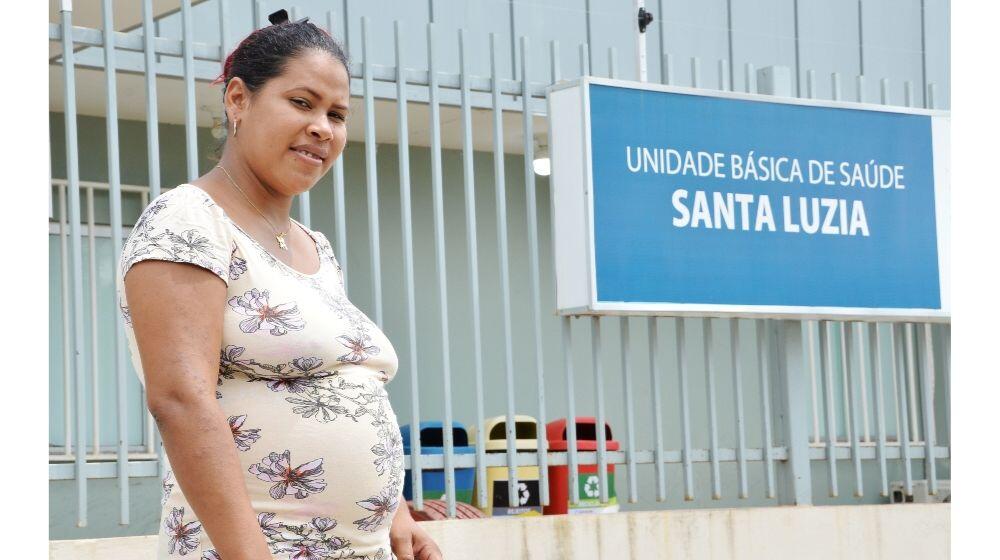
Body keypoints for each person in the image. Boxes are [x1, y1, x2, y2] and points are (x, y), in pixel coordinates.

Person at [116, 9, 443, 560]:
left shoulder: (316, 248)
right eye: (301, 102)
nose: (323, 127)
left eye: (337, 114)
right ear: (238, 100)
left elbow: (343, 383)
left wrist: (397, 512)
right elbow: (181, 400)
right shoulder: (190, 219)